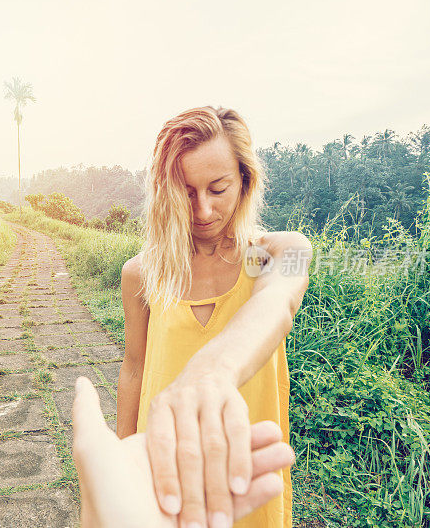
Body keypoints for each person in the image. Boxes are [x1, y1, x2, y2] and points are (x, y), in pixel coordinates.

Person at [117, 106, 312, 528]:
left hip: (247, 470)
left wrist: (214, 371)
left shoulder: (281, 253)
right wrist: (122, 462)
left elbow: (278, 300)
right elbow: (134, 368)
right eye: (186, 192)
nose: (202, 211)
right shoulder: (142, 274)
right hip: (166, 465)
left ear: (244, 180)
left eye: (218, 188)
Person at [71, 376, 296, 528]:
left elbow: (278, 308)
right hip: (159, 437)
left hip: (244, 418)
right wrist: (121, 455)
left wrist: (208, 374)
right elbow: (134, 365)